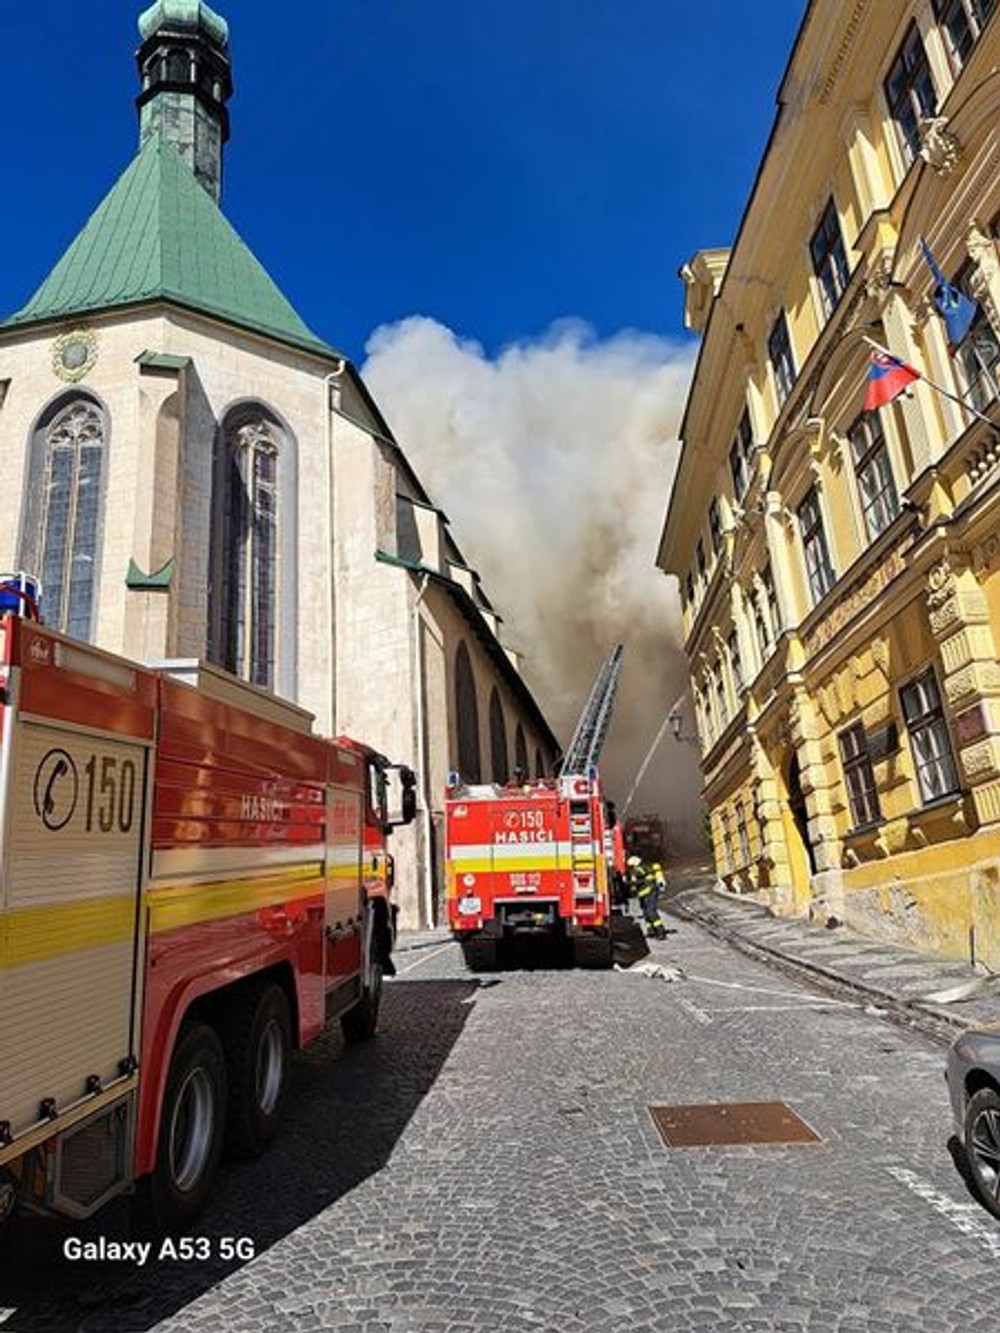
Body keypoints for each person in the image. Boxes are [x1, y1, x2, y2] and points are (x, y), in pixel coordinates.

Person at [634, 857, 668, 940]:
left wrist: (631, 883)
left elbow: (642, 880)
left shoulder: (642, 870)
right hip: (644, 894)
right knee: (646, 913)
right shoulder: (638, 870)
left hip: (650, 893)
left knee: (651, 912)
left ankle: (660, 931)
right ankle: (651, 931)